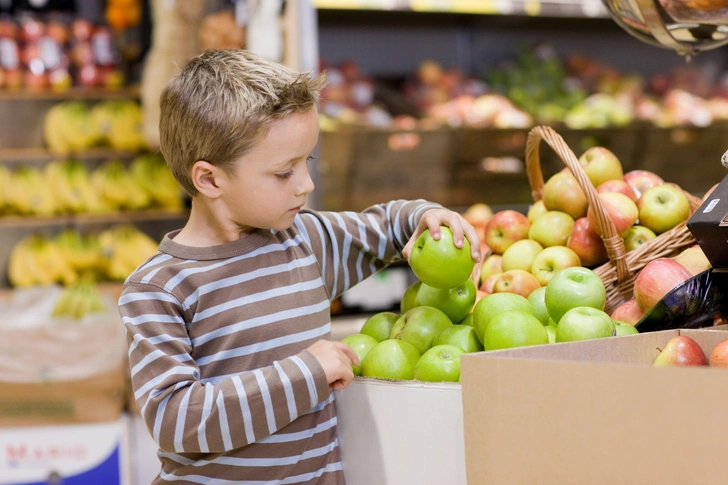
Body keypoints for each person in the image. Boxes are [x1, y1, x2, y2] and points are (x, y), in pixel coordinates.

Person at [119, 49, 481, 484]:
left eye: (305, 162)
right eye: (283, 172)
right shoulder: (159, 289)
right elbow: (177, 421)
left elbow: (385, 227)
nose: (306, 185)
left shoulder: (304, 242)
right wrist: (306, 372)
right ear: (210, 179)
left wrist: (424, 217)